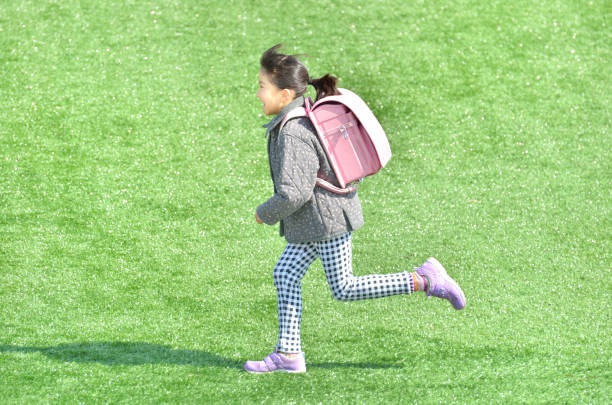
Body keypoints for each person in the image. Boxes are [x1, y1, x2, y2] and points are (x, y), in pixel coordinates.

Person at [244, 44, 466, 374]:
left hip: (327, 221)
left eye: (262, 86)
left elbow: (294, 194)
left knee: (345, 288)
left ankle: (425, 279)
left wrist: (265, 212)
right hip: (315, 222)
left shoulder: (293, 131)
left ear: (284, 92)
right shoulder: (296, 118)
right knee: (286, 273)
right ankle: (289, 354)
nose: (258, 93)